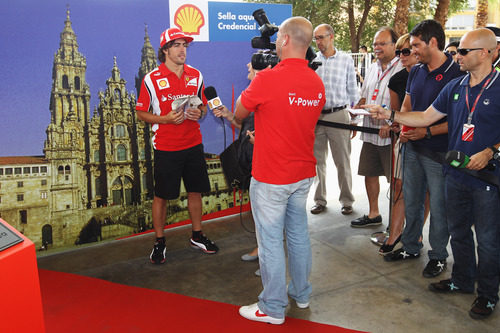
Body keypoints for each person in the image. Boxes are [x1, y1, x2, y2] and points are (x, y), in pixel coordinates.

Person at [365, 27, 500, 320]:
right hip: (456, 176)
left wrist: (491, 151)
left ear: (487, 53)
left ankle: (488, 295)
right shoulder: (456, 87)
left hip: (488, 181)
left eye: (464, 51)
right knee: (460, 234)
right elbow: (426, 116)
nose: (458, 55)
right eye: (458, 50)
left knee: (488, 242)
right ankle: (463, 280)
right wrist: (390, 115)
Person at [235, 16, 325, 325]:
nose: (274, 42)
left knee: (271, 241)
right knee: (298, 235)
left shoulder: (268, 79)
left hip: (272, 175)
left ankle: (272, 307)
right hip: (302, 174)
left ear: (284, 40)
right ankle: (301, 293)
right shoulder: (316, 81)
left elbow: (239, 113)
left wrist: (256, 89)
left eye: (278, 38)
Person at [383, 20, 463, 281]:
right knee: (412, 198)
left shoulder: (457, 75)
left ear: (433, 43)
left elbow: (458, 120)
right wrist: (402, 126)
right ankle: (410, 247)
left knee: (439, 206)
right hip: (411, 147)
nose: (412, 50)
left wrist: (427, 131)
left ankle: (438, 256)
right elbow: (408, 103)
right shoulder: (416, 71)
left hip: (438, 152)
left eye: (416, 45)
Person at [136, 27, 218, 265]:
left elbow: (203, 107)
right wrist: (165, 119)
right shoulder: (151, 79)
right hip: (166, 147)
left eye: (185, 45)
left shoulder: (196, 75)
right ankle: (159, 242)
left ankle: (197, 235)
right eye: (177, 45)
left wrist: (199, 113)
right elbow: (141, 113)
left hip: (193, 144)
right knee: (161, 196)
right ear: (165, 50)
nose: (183, 50)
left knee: (195, 191)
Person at [350, 27, 402, 228]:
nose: (377, 47)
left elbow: (406, 103)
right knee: (369, 172)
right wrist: (356, 112)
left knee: (396, 181)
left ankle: (396, 225)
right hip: (370, 132)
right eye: (374, 44)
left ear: (394, 45)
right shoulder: (372, 67)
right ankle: (374, 214)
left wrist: (392, 123)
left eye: (382, 43)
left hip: (390, 135)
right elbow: (364, 95)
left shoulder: (402, 69)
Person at [213, 63, 259, 272]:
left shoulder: (262, 94)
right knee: (258, 211)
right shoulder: (253, 96)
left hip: (265, 163)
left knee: (268, 214)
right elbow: (246, 128)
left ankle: (270, 261)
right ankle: (262, 249)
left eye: (253, 64)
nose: (248, 66)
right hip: (250, 162)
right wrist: (230, 116)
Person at [309, 24, 359, 216]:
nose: (318, 42)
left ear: (332, 37)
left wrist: (354, 119)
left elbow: (353, 90)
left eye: (321, 37)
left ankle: (347, 201)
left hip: (339, 114)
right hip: (316, 116)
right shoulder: (312, 61)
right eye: (316, 39)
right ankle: (319, 200)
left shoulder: (345, 59)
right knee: (317, 161)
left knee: (342, 161)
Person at [378, 33, 418, 255]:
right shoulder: (397, 80)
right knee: (399, 185)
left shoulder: (440, 76)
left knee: (425, 192)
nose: (402, 56)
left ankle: (416, 233)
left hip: (431, 143)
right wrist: (394, 126)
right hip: (403, 142)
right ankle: (395, 234)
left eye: (407, 51)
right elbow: (397, 115)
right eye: (400, 51)